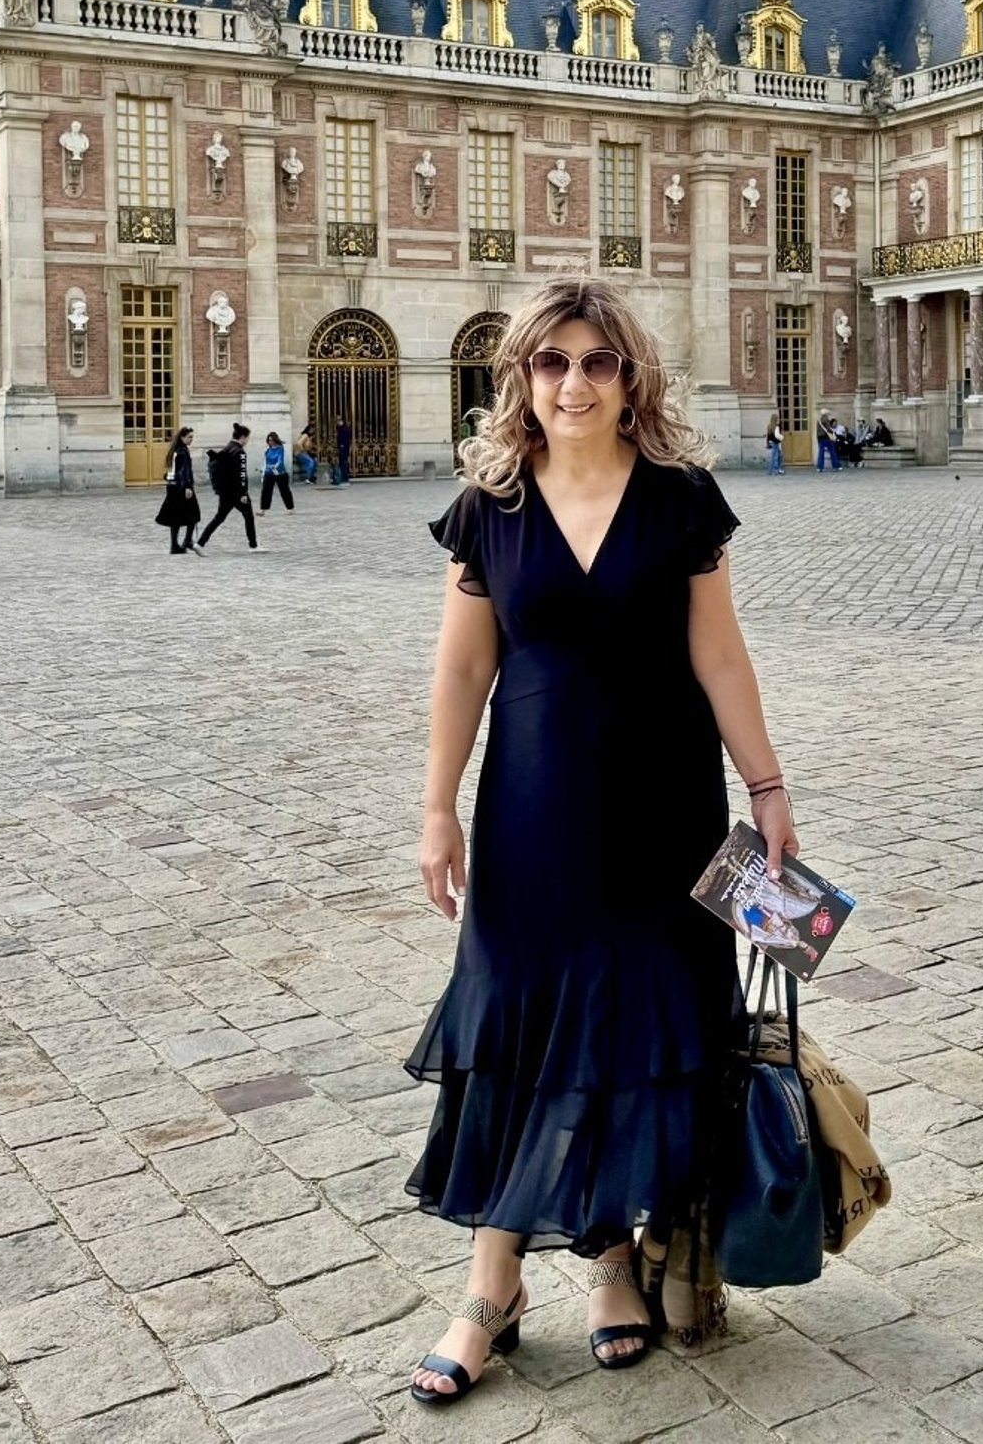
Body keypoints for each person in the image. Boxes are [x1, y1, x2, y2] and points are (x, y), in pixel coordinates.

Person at [406, 278, 799, 1403]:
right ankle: (491, 1284)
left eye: (596, 361)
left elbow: (719, 655)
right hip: (533, 808)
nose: (572, 382)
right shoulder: (490, 504)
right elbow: (463, 667)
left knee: (641, 1024)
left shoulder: (680, 498)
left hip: (665, 809)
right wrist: (437, 807)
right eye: (550, 363)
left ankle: (612, 1256)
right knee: (513, 1024)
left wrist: (767, 785)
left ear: (632, 378)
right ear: (521, 377)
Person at [197, 424, 256, 552]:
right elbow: (241, 474)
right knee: (248, 516)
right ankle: (253, 545)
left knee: (219, 517)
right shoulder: (239, 451)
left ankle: (200, 542)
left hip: (225, 491)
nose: (247, 441)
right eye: (247, 438)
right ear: (243, 437)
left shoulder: (228, 447)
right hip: (236, 492)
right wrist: (243, 493)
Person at [154, 426, 201, 555]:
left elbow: (170, 470)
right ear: (182, 437)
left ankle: (174, 545)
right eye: (189, 437)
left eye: (192, 437)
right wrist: (187, 486)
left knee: (175, 517)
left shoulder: (174, 450)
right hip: (181, 487)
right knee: (193, 514)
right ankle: (187, 541)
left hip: (172, 487)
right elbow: (183, 471)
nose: (192, 439)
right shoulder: (182, 452)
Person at [258, 430, 295, 518]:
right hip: (269, 472)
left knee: (284, 491)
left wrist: (276, 466)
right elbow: (265, 461)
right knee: (266, 491)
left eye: (272, 440)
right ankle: (263, 509)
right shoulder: (268, 450)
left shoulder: (280, 449)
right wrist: (263, 470)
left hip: (280, 473)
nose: (270, 442)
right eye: (269, 440)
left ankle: (290, 508)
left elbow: (280, 460)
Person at [334, 417, 353, 487]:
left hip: (343, 449)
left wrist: (341, 446)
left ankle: (345, 478)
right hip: (343, 449)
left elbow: (344, 440)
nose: (337, 423)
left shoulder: (343, 429)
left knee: (343, 464)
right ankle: (343, 478)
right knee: (342, 464)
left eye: (338, 421)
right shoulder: (341, 429)